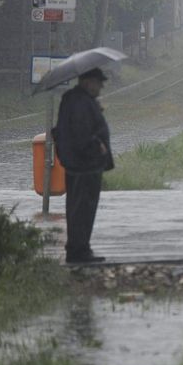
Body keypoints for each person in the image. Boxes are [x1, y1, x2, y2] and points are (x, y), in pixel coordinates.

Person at [54, 67, 114, 264]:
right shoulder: (80, 102)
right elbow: (81, 135)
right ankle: (79, 251)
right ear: (88, 82)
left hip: (79, 165)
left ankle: (79, 248)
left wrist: (95, 109)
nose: (101, 86)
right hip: (84, 166)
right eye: (99, 82)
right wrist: (98, 146)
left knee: (79, 208)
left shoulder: (77, 99)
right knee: (82, 209)